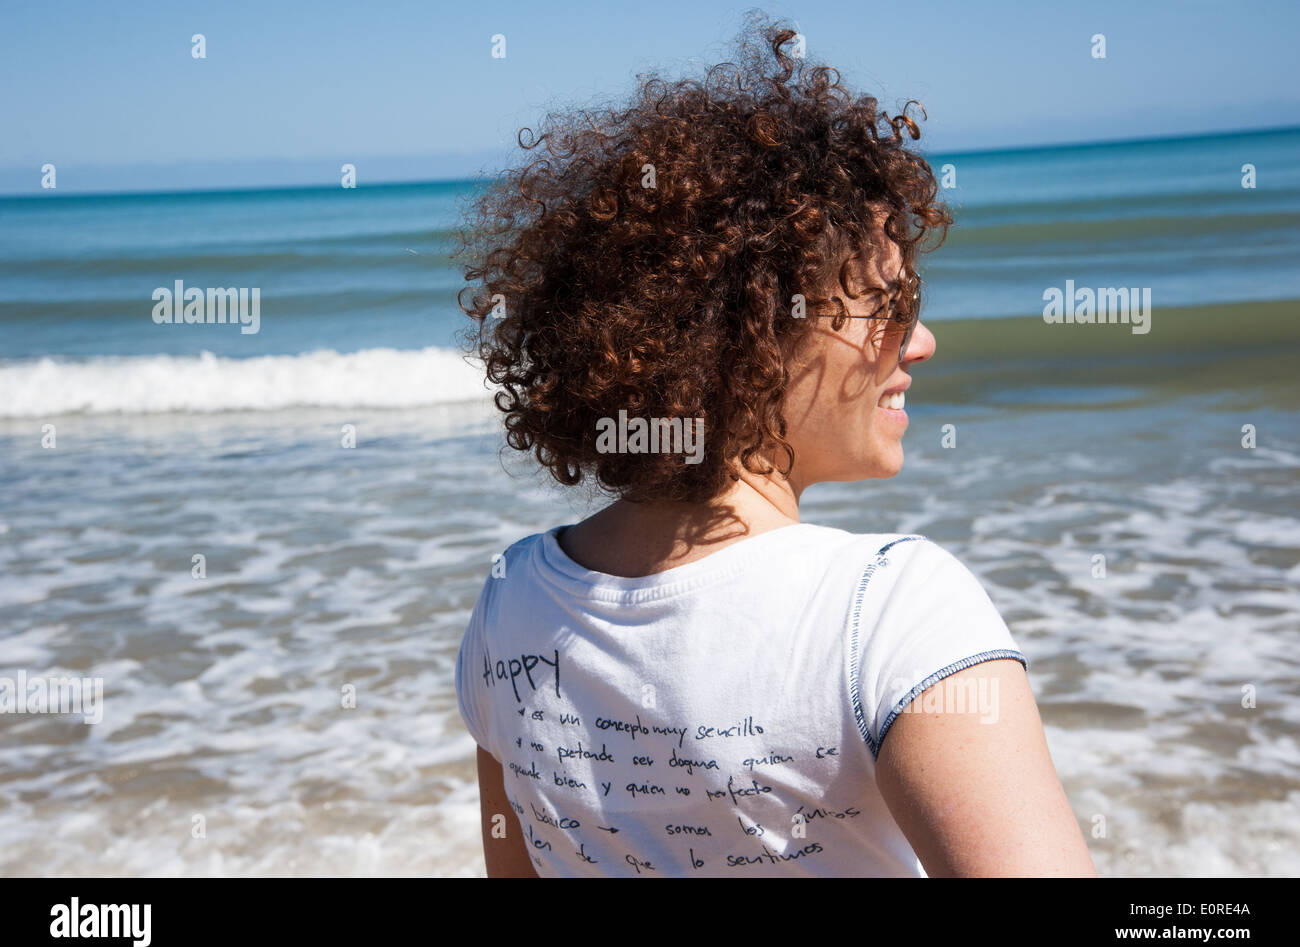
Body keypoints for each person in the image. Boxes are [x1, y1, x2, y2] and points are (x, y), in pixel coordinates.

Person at [453, 15, 1096, 877]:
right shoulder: (891, 612)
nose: (921, 341)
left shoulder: (510, 609)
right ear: (760, 333)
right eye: (889, 308)